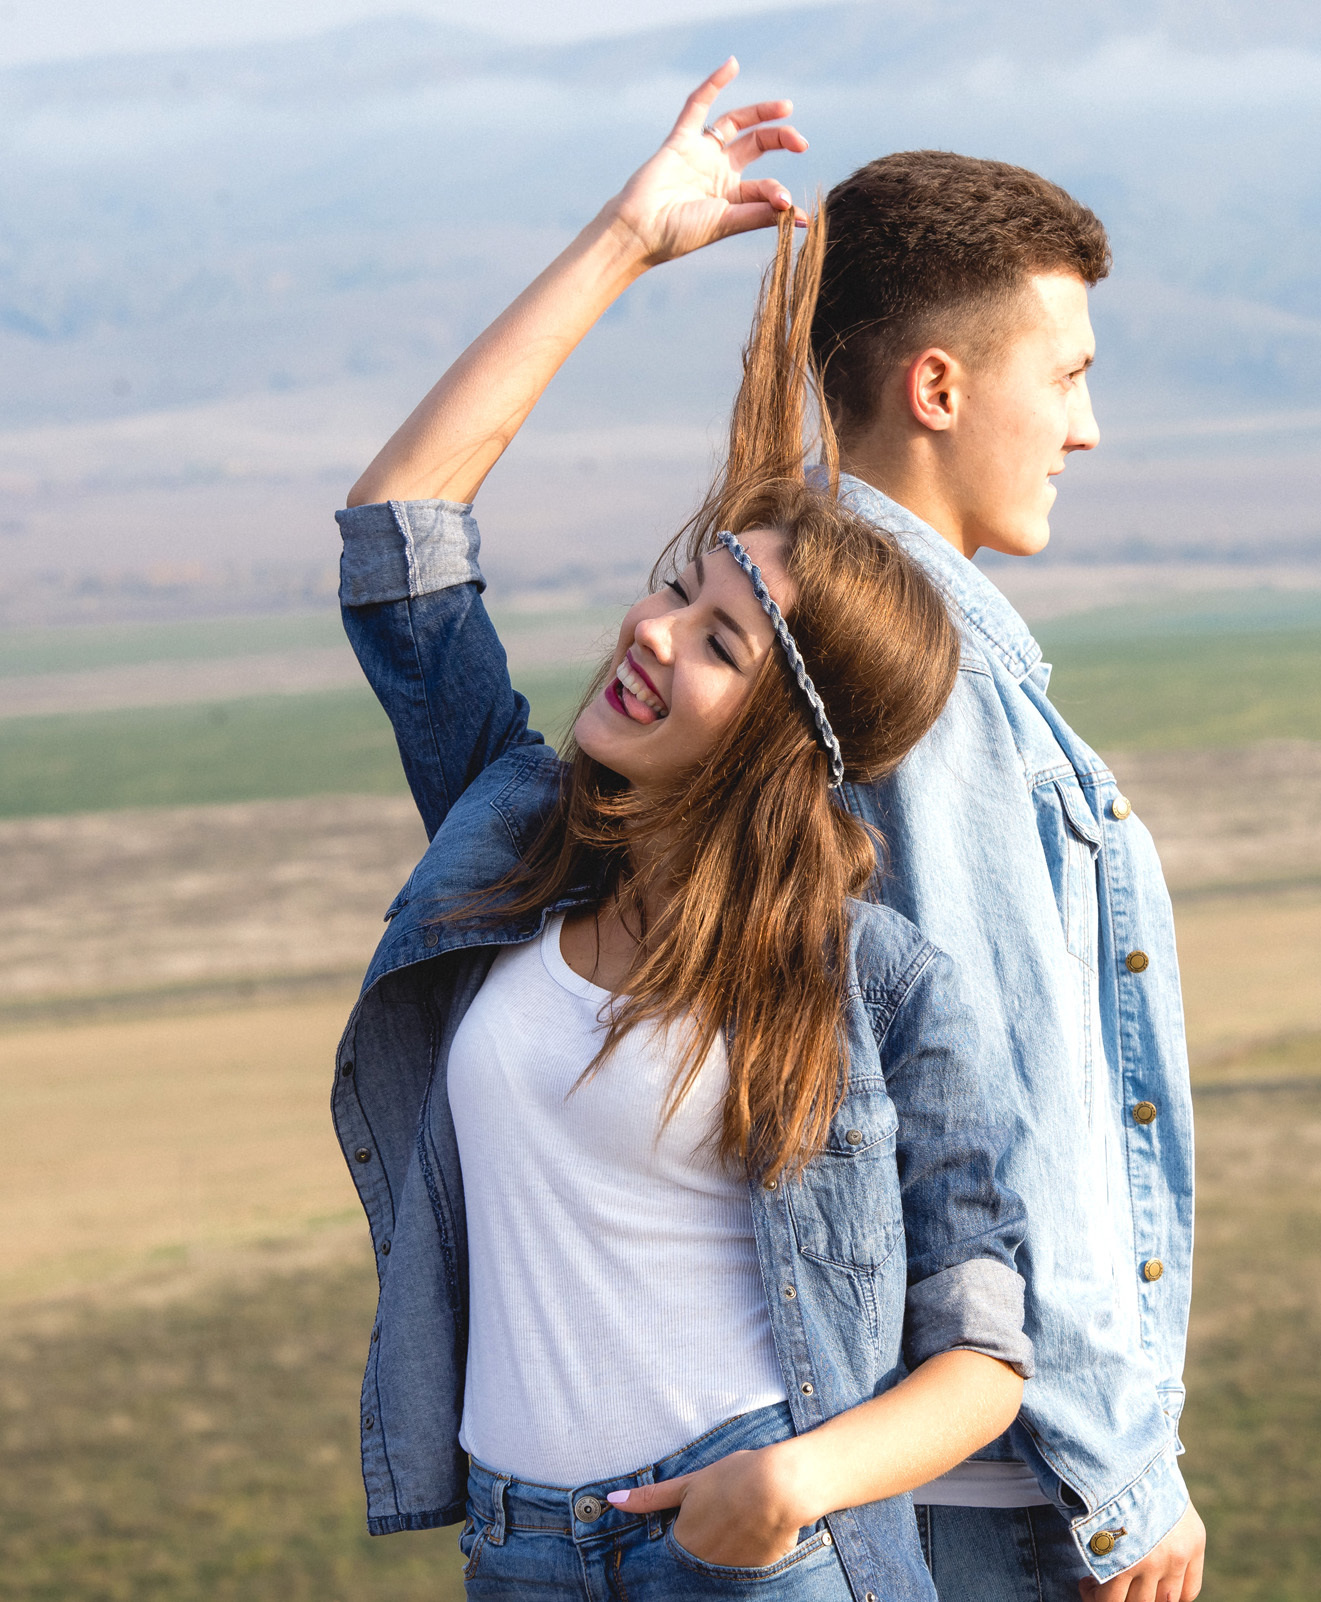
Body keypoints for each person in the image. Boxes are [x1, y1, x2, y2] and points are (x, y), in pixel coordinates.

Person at [330, 63, 1031, 1602]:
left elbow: (985, 1342)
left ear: (792, 744)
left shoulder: (882, 986)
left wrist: (793, 1481)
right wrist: (628, 239)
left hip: (750, 1559)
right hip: (518, 1550)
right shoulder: (514, 837)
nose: (653, 634)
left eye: (722, 643)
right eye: (682, 585)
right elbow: (399, 539)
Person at [813, 156, 1207, 1602]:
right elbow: (1014, 1088)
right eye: (1067, 374)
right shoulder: (937, 672)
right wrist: (1121, 1477)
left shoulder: (777, 606)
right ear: (937, 389)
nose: (1087, 428)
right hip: (992, 1483)